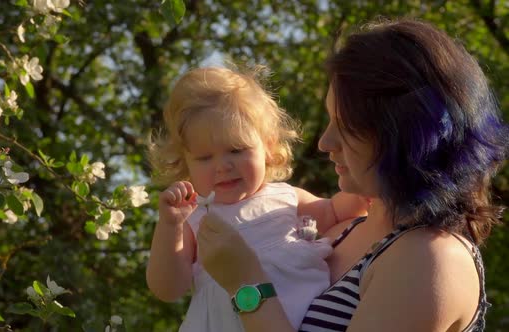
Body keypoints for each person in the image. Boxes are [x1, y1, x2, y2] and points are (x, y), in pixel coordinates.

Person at [196, 18, 509, 332]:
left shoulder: (433, 259)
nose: (324, 143)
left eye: (344, 126)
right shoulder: (342, 233)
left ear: (404, 135)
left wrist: (247, 285)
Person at [146, 66, 369, 331]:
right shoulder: (195, 218)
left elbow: (333, 210)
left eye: (236, 150)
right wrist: (169, 226)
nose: (222, 166)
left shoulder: (285, 197)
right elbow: (168, 288)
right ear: (186, 164)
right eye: (204, 158)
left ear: (268, 146)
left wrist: (364, 191)